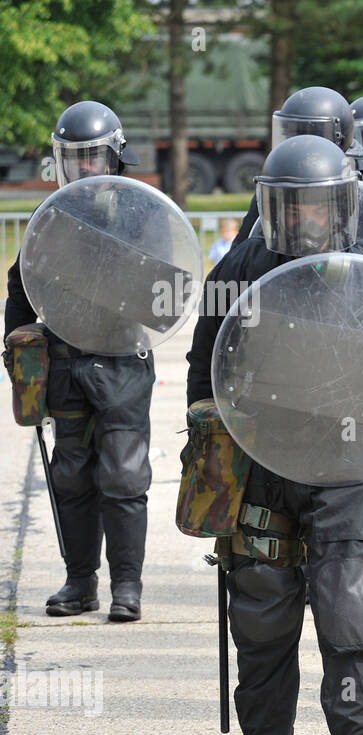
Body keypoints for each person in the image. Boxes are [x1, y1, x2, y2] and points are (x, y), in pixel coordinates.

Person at [186, 135, 363, 735]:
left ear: (341, 205)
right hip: (263, 459)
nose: (305, 219)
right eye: (292, 207)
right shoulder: (240, 266)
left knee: (352, 607)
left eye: (317, 206)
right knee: (262, 609)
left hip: (347, 463)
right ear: (272, 207)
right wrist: (209, 445)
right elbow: (203, 367)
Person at [3, 101, 151, 624]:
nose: (83, 168)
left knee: (125, 475)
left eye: (92, 157)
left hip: (122, 365)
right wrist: (19, 362)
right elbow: (19, 293)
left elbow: (171, 290)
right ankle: (79, 582)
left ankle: (126, 587)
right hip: (64, 366)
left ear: (114, 158)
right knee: (71, 476)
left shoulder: (141, 215)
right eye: (74, 158)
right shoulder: (51, 222)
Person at [229, 87, 357, 249]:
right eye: (291, 135)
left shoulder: (356, 190)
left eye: (310, 137)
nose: (298, 145)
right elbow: (239, 251)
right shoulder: (278, 188)